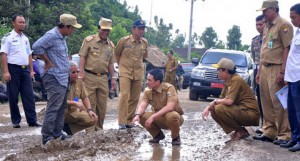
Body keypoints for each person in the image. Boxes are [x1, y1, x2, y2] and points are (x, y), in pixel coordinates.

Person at [32, 13, 82, 145]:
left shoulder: (62, 37)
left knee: (61, 106)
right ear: (66, 26)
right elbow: (36, 47)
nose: (73, 31)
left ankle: (57, 132)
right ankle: (47, 136)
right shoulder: (52, 35)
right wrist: (47, 61)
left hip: (62, 77)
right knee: (53, 107)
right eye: (72, 28)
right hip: (54, 77)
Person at [253, 0, 293, 145]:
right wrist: (259, 72)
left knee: (279, 102)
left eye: (265, 11)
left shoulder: (284, 25)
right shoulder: (267, 27)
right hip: (264, 68)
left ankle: (284, 134)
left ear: (274, 9)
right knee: (266, 101)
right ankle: (269, 131)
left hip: (277, 68)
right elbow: (264, 50)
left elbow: (287, 49)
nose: (263, 14)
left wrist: (283, 71)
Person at [202, 58, 260, 143]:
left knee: (219, 108)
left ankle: (241, 131)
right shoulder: (227, 81)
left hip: (250, 113)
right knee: (214, 109)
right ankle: (238, 131)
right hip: (242, 111)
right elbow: (221, 99)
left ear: (225, 71)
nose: (217, 72)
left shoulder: (236, 80)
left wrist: (214, 102)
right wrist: (208, 107)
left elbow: (229, 101)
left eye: (219, 70)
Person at [0, 14, 40, 128]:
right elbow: (3, 55)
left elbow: (29, 55)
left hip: (25, 70)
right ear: (14, 23)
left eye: (23, 22)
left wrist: (31, 70)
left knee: (29, 96)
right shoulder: (8, 37)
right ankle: (16, 121)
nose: (22, 24)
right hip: (13, 69)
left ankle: (32, 120)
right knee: (13, 96)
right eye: (20, 22)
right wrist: (6, 72)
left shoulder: (26, 38)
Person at [78, 17, 116, 130]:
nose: (105, 32)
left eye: (108, 30)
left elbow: (111, 63)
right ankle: (90, 131)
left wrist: (113, 78)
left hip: (104, 78)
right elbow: (82, 57)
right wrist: (81, 73)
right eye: (103, 30)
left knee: (102, 106)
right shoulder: (89, 40)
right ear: (98, 28)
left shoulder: (110, 45)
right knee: (91, 104)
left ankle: (99, 129)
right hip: (89, 76)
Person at [132, 69, 184, 145]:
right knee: (142, 116)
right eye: (147, 79)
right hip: (159, 117)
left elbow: (170, 107)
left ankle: (175, 137)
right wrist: (137, 115)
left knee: (172, 116)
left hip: (174, 118)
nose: (147, 82)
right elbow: (143, 105)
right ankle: (157, 135)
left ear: (157, 82)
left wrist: (152, 117)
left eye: (150, 80)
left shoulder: (169, 88)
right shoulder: (148, 91)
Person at [115, 19, 148, 129]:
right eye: (139, 28)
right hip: (125, 71)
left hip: (138, 73)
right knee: (124, 95)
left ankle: (129, 121)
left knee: (135, 97)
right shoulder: (124, 41)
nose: (141, 31)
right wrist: (121, 67)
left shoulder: (144, 43)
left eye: (143, 28)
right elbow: (117, 54)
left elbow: (144, 57)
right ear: (133, 29)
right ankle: (121, 122)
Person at [280, 3, 300, 152]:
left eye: (293, 17)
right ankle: (294, 138)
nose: (292, 21)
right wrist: (286, 76)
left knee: (299, 111)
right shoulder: (297, 33)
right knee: (292, 111)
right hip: (292, 78)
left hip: (299, 78)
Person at [63, 61, 98, 135]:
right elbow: (59, 101)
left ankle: (68, 130)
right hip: (62, 112)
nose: (76, 74)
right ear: (66, 73)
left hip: (73, 111)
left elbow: (85, 97)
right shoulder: (61, 82)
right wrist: (75, 103)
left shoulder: (79, 81)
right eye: (73, 72)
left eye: (77, 72)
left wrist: (89, 110)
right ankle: (59, 130)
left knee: (92, 119)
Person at [251, 15, 265, 134]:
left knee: (268, 98)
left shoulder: (269, 38)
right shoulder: (254, 40)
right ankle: (264, 123)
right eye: (257, 25)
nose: (258, 27)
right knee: (259, 97)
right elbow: (253, 57)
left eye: (261, 24)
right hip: (256, 69)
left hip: (267, 68)